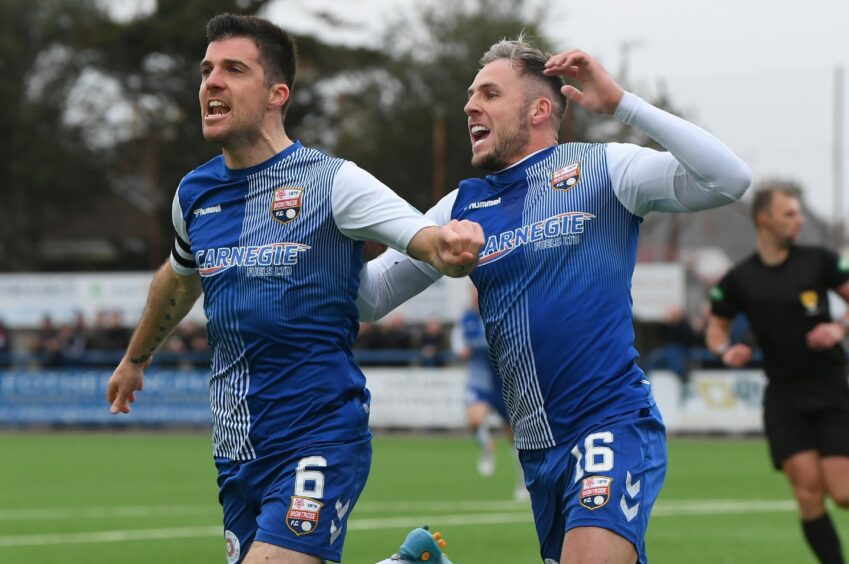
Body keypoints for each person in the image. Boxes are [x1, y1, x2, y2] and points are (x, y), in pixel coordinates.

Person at [106, 14, 482, 564]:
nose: (211, 83)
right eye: (207, 70)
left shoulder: (333, 182)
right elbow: (178, 277)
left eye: (234, 70)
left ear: (277, 93)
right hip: (237, 449)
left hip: (320, 434)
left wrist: (450, 245)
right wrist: (135, 358)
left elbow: (419, 236)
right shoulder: (195, 195)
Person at [357, 38, 751, 563]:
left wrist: (623, 106)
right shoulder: (463, 205)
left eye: (490, 94)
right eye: (471, 95)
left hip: (610, 422)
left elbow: (729, 179)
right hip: (538, 450)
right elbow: (374, 295)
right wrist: (332, 244)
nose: (470, 106)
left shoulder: (604, 169)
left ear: (540, 109)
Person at [706, 184, 849, 564]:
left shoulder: (819, 260)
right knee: (807, 493)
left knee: (843, 492)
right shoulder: (740, 279)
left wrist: (839, 328)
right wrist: (726, 350)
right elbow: (715, 329)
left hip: (831, 387)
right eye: (790, 214)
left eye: (798, 213)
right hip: (784, 395)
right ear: (763, 220)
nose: (799, 220)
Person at [451, 286, 527, 500]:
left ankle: (523, 482)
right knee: (474, 421)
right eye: (473, 293)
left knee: (516, 440)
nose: (476, 297)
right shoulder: (466, 319)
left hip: (506, 384)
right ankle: (487, 446)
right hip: (480, 383)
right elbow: (459, 347)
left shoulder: (500, 313)